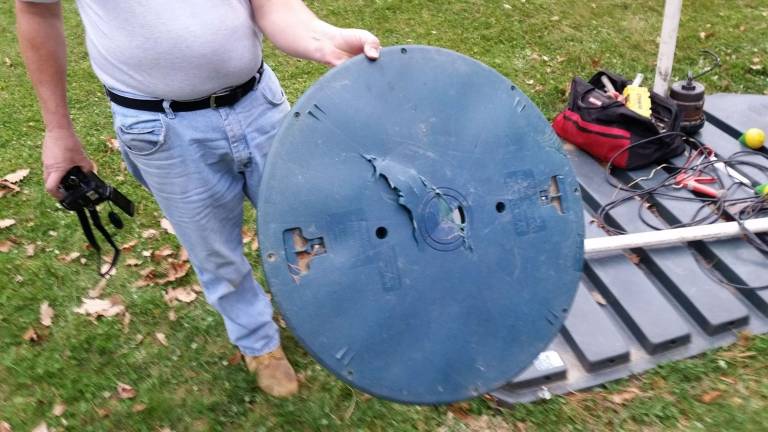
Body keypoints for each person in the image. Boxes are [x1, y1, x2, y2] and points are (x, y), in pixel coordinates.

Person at [15, 0, 381, 398]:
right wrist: (57, 131)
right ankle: (258, 343)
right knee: (216, 252)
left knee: (310, 222)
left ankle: (328, 311)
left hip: (259, 104)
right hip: (161, 129)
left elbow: (271, 6)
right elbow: (37, 12)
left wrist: (321, 37)